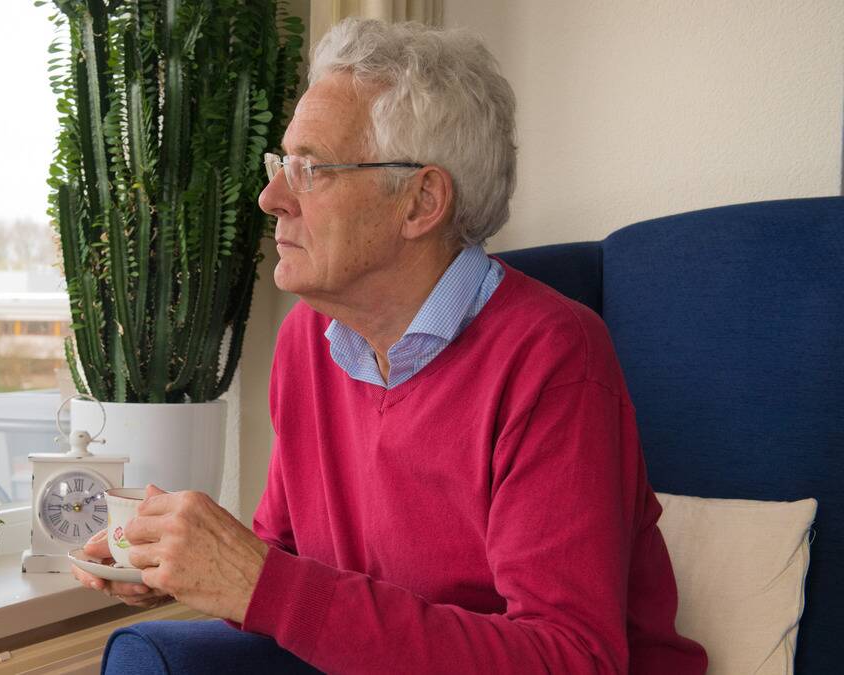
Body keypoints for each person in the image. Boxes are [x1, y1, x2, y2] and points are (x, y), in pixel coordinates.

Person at [72, 17, 708, 674]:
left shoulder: (552, 356)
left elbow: (570, 659)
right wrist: (189, 565)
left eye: (309, 169)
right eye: (280, 165)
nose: (271, 197)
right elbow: (287, 570)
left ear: (420, 200)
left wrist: (260, 581)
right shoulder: (306, 343)